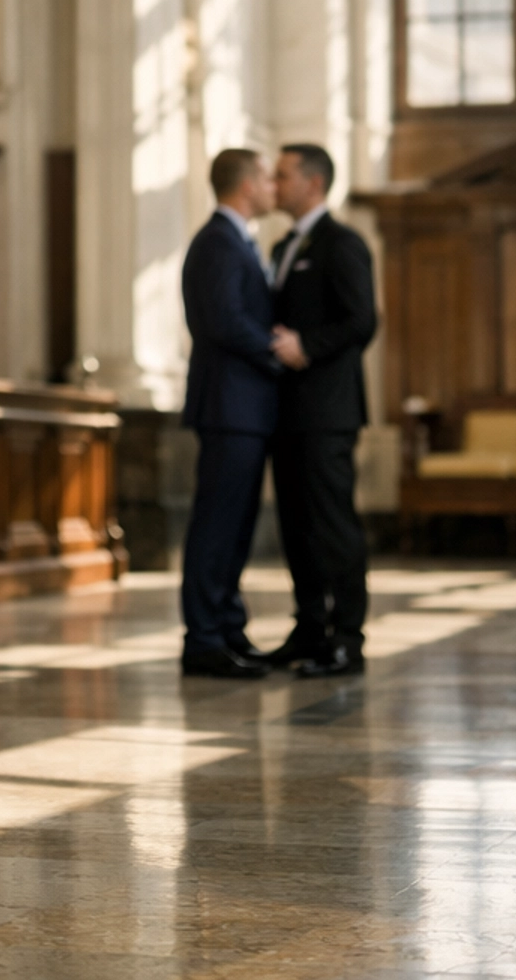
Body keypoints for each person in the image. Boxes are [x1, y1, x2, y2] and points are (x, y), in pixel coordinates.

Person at [266, 142, 377, 678]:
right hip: (285, 412)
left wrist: (307, 345)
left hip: (328, 413)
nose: (273, 183)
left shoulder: (343, 243)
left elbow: (362, 322)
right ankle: (309, 628)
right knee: (296, 524)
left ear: (313, 183)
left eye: (283, 175)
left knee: (333, 525)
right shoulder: (280, 246)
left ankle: (347, 638)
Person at [180, 147, 279, 678]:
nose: (273, 188)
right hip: (228, 405)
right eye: (267, 177)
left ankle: (228, 627)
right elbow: (223, 320)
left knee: (236, 526)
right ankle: (203, 638)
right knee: (217, 525)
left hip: (246, 406)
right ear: (246, 184)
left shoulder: (239, 240)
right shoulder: (218, 241)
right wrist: (278, 350)